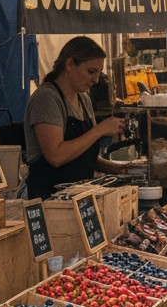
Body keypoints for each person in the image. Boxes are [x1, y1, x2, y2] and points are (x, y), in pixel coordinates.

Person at [24, 37, 125, 199]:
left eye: (99, 73)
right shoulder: (46, 98)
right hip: (50, 199)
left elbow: (81, 151)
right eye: (91, 71)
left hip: (80, 196)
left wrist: (112, 168)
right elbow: (56, 156)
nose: (96, 80)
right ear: (70, 64)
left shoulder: (83, 98)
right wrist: (99, 130)